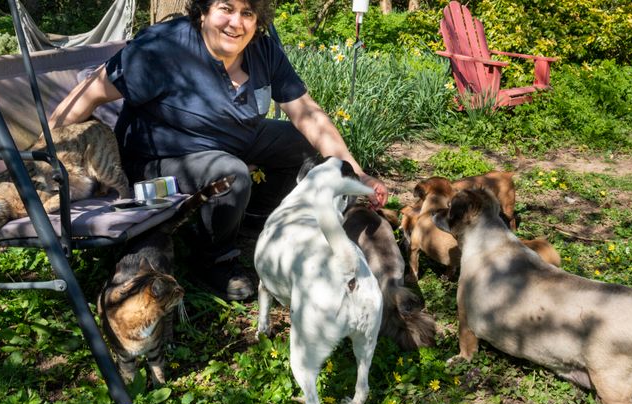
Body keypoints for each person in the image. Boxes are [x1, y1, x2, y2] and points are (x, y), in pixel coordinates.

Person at [48, 0, 388, 301]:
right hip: (160, 157)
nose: (236, 22)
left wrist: (353, 172)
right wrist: (44, 153)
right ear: (203, 12)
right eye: (226, 8)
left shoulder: (263, 50)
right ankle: (214, 258)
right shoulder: (164, 47)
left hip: (235, 139)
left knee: (303, 146)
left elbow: (308, 113)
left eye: (247, 13)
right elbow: (89, 93)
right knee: (231, 174)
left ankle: (252, 215)